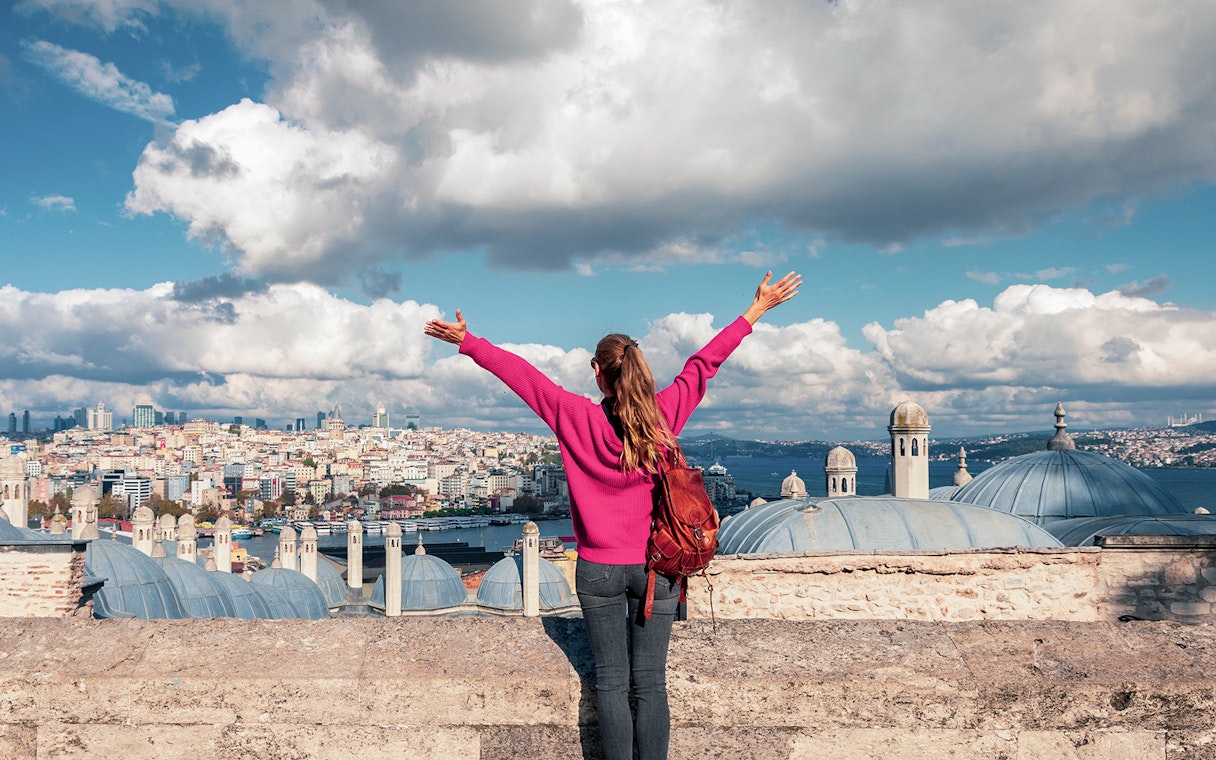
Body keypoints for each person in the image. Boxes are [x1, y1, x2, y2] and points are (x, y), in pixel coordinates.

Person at [424, 270, 801, 760]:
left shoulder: (573, 415)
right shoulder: (663, 415)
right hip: (656, 566)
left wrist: (469, 341)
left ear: (596, 371)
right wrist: (755, 310)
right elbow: (703, 365)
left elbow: (522, 375)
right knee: (650, 684)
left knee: (610, 683)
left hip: (598, 568)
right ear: (639, 372)